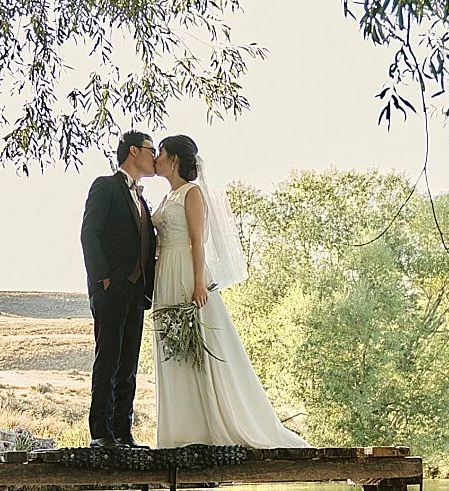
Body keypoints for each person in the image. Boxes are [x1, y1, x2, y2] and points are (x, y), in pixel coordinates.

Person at [149, 135, 309, 449]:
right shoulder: (166, 198)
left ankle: (215, 425)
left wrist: (197, 283)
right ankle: (180, 431)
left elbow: (197, 241)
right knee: (174, 350)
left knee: (200, 347)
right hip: (165, 272)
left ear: (174, 160)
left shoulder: (192, 194)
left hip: (185, 271)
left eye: (161, 153)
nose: (156, 158)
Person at [79, 131, 159, 449]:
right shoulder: (105, 186)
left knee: (128, 364)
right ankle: (101, 433)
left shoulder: (141, 198)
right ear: (134, 152)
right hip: (111, 288)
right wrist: (103, 280)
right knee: (108, 358)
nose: (155, 157)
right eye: (152, 150)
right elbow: (90, 235)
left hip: (137, 292)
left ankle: (123, 432)